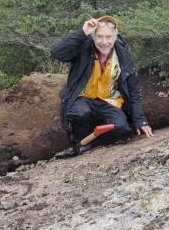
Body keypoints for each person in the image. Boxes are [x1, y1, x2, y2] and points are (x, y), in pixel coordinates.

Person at [51, 15, 153, 155]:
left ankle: (88, 144)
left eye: (108, 37)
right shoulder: (84, 46)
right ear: (93, 36)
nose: (104, 42)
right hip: (83, 98)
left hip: (109, 100)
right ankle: (78, 143)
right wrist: (82, 33)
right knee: (80, 114)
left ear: (115, 36)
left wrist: (141, 121)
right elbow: (57, 53)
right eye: (99, 36)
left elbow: (133, 90)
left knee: (123, 130)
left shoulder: (122, 55)